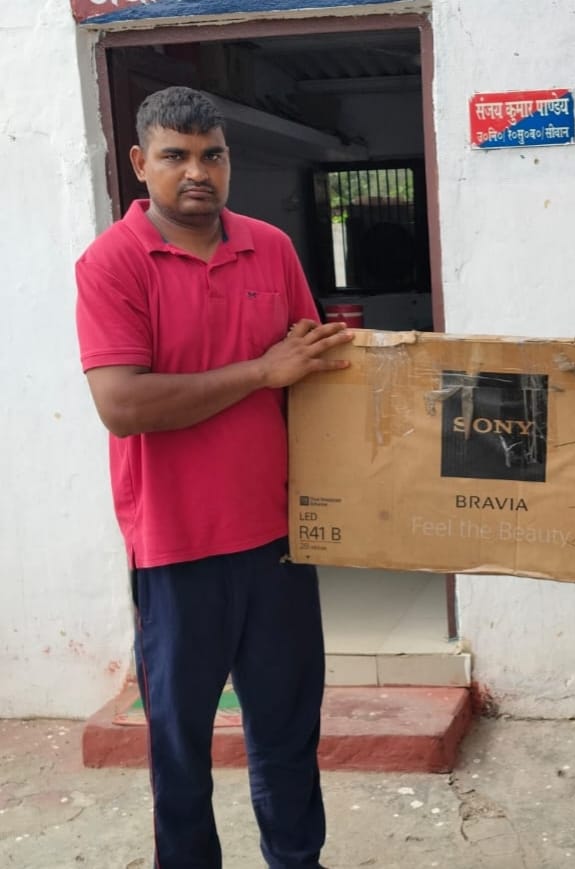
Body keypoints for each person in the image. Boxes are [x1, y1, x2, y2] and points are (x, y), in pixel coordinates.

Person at [75, 86, 353, 868]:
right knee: (180, 744)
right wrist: (260, 371)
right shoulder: (113, 263)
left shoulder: (271, 247)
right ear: (141, 163)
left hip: (277, 540)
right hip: (175, 547)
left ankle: (296, 859)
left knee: (288, 730)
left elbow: (312, 375)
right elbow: (123, 405)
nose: (197, 172)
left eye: (212, 155)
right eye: (176, 155)